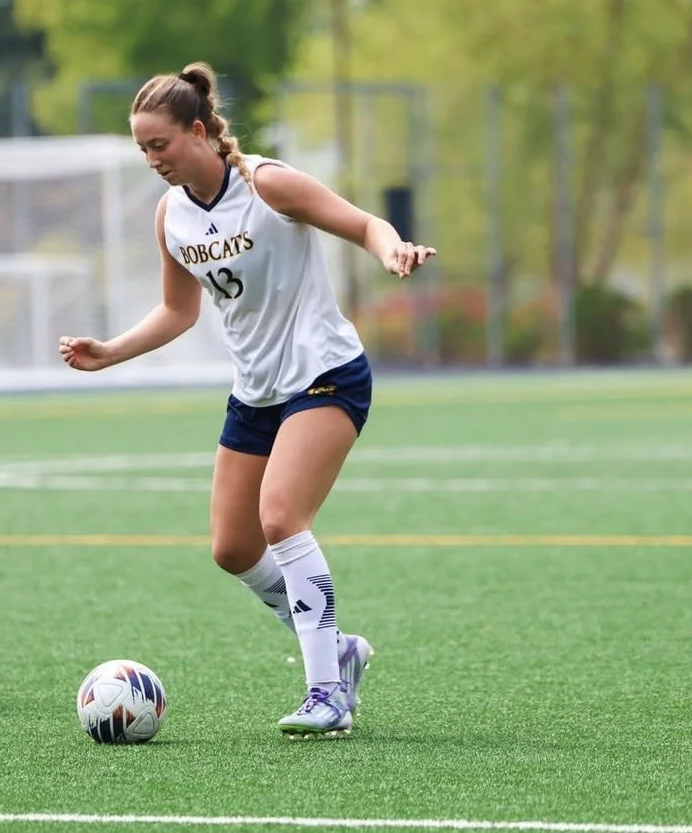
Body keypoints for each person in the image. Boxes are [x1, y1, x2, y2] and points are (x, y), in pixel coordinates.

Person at [58, 62, 437, 739]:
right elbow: (179, 311)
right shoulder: (171, 214)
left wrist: (393, 250)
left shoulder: (268, 184)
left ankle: (328, 692)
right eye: (142, 149)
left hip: (325, 372)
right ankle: (340, 647)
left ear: (198, 131)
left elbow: (363, 222)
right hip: (256, 392)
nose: (151, 160)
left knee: (282, 517)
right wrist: (109, 351)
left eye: (160, 145)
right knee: (233, 547)